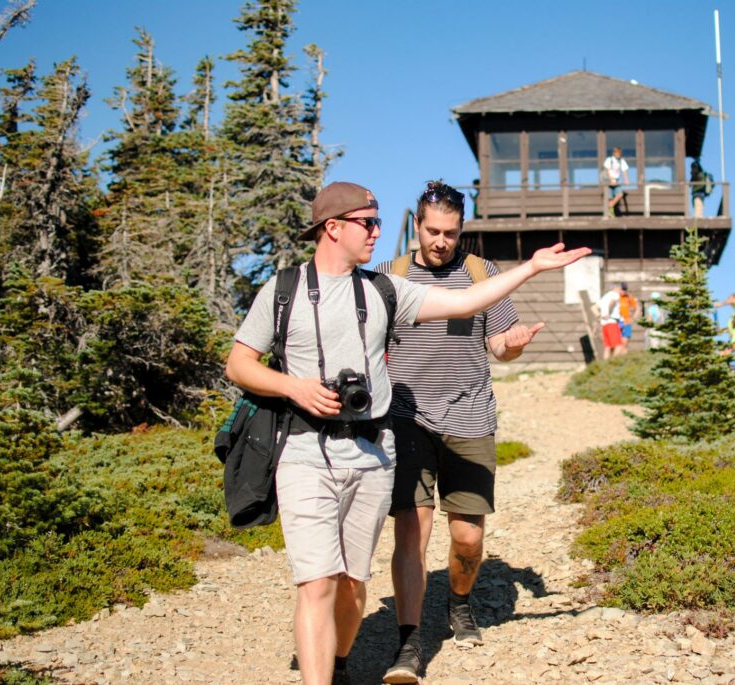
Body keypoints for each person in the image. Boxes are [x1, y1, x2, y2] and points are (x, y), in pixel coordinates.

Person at [224, 181, 589, 685]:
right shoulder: (285, 290)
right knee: (317, 583)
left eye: (377, 222)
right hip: (311, 449)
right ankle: (367, 658)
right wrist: (294, 388)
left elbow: (466, 304)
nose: (377, 231)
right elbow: (239, 364)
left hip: (377, 451)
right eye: (367, 223)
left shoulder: (384, 291)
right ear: (334, 227)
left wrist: (529, 268)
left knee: (354, 583)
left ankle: (345, 658)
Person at [373, 180, 546, 684]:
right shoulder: (390, 277)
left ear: (461, 229)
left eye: (450, 232)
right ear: (417, 225)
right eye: (432, 231)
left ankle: (460, 602)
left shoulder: (482, 275)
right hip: (406, 420)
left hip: (470, 419)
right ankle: (409, 644)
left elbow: (499, 347)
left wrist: (513, 345)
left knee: (468, 539)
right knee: (412, 533)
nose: (441, 241)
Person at [597, 285, 625, 360]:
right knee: (618, 345)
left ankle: (605, 366)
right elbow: (612, 302)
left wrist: (599, 316)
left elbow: (594, 307)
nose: (621, 291)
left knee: (608, 347)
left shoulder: (605, 297)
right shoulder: (614, 294)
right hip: (612, 322)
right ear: (616, 288)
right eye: (620, 289)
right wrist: (608, 313)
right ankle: (613, 363)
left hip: (604, 324)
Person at [602, 146, 630, 217]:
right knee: (609, 197)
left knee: (619, 194)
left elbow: (624, 171)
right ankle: (610, 213)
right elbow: (607, 170)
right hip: (608, 180)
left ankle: (610, 205)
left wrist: (626, 179)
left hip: (616, 180)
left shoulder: (621, 161)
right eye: (617, 152)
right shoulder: (609, 159)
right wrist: (611, 179)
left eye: (619, 153)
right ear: (614, 153)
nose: (618, 154)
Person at [617, 282, 641, 351]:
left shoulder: (629, 297)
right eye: (622, 289)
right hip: (617, 322)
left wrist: (633, 319)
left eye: (625, 289)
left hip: (626, 322)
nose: (624, 291)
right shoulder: (615, 297)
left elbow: (638, 308)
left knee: (625, 343)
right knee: (617, 344)